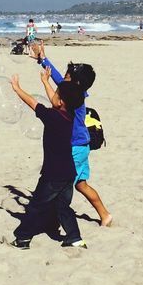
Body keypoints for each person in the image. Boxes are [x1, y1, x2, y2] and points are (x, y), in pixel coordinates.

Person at [32, 41, 112, 227]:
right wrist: (43, 60)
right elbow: (59, 78)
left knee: (60, 185)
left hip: (75, 148)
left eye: (67, 77)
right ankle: (105, 214)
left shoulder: (73, 98)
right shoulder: (78, 92)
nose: (63, 80)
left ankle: (57, 223)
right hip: (83, 146)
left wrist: (44, 81)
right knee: (81, 184)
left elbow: (54, 101)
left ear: (75, 82)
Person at [8, 70, 86, 250]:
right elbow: (56, 99)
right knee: (63, 206)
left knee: (36, 206)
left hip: (53, 174)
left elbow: (33, 103)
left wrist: (17, 89)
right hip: (68, 172)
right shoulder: (70, 115)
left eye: (56, 95)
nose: (52, 96)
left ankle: (23, 238)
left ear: (61, 102)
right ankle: (74, 238)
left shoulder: (53, 117)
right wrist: (45, 81)